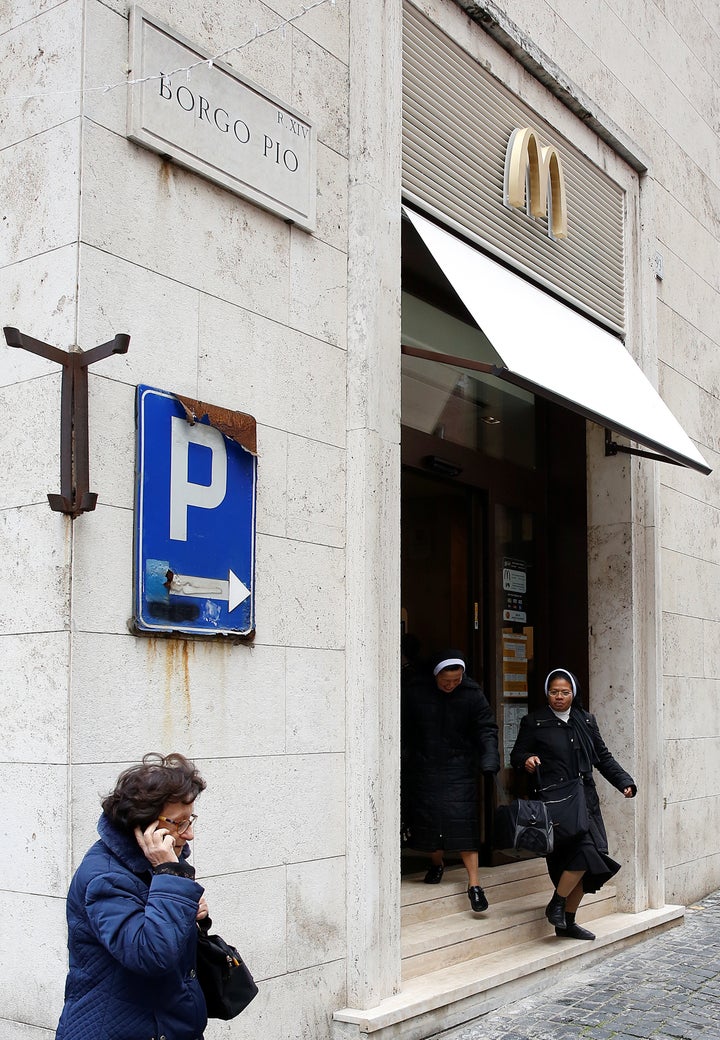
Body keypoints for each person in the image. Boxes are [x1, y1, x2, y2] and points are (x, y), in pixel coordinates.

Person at [56, 752, 209, 1040]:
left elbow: (168, 934)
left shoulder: (159, 865)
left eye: (191, 820)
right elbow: (151, 954)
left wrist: (193, 911)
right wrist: (172, 882)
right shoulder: (106, 878)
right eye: (179, 823)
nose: (189, 835)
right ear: (144, 825)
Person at [510, 668, 636, 940]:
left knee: (588, 855)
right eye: (554, 692)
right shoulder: (534, 722)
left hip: (585, 801)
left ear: (573, 693)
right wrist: (527, 760)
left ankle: (561, 910)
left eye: (564, 692)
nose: (559, 697)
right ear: (547, 693)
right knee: (566, 861)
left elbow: (602, 757)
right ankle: (563, 918)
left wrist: (624, 781)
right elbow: (517, 754)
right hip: (555, 804)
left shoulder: (586, 721)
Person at [401, 648, 500, 912]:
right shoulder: (416, 692)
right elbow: (404, 727)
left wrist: (489, 759)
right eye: (446, 681)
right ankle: (437, 863)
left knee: (463, 821)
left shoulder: (472, 694)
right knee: (430, 818)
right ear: (435, 675)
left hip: (460, 767)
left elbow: (486, 728)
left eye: (456, 681)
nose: (451, 685)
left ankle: (474, 885)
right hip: (426, 766)